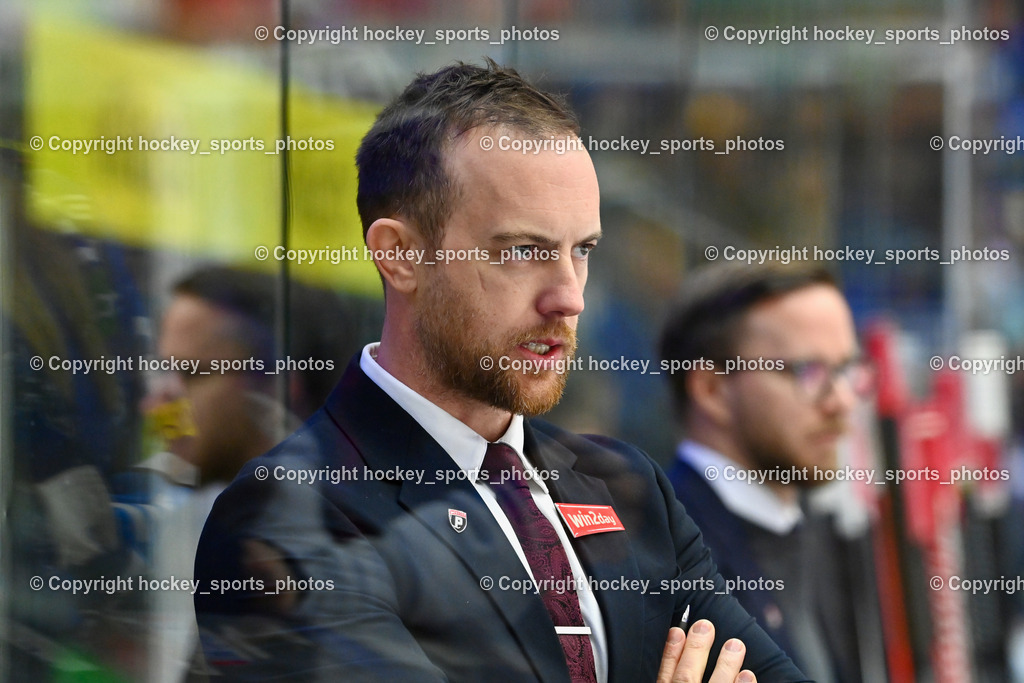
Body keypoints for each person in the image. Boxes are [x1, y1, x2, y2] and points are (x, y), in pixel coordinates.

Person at [194, 61, 809, 682]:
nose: (569, 297)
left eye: (582, 251)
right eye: (523, 251)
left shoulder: (630, 486)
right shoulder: (284, 520)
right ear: (399, 255)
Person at [659, 263, 882, 682]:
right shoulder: (661, 556)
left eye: (847, 370)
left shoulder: (819, 534)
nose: (843, 402)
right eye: (809, 372)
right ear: (712, 389)